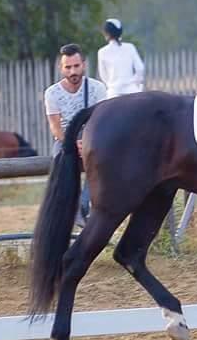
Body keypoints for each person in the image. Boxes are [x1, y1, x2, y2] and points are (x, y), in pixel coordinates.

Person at [45, 43, 107, 225]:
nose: (73, 71)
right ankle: (69, 207)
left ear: (84, 65)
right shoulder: (52, 93)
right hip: (65, 137)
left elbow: (102, 121)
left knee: (100, 158)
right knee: (59, 157)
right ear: (61, 68)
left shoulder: (97, 88)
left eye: (76, 66)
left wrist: (86, 141)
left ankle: (85, 205)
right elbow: (55, 126)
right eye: (68, 67)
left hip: (92, 135)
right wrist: (72, 142)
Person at [97, 18, 145, 98]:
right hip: (132, 91)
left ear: (107, 33)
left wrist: (112, 85)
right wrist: (134, 83)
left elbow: (103, 75)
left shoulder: (102, 52)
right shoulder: (130, 47)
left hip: (113, 93)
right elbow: (140, 68)